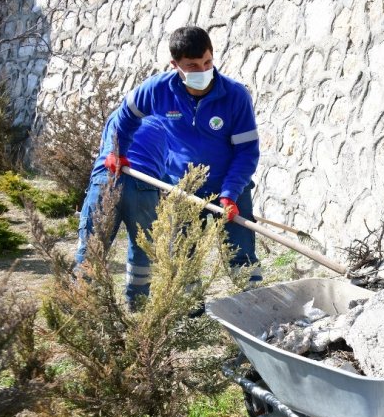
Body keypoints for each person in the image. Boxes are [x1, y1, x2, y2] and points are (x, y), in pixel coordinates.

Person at [105, 26, 262, 285]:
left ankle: (254, 309)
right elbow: (126, 115)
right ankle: (191, 319)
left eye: (207, 62)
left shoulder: (235, 96)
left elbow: (247, 152)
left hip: (231, 188)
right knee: (183, 259)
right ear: (175, 64)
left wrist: (230, 193)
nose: (203, 71)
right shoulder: (158, 90)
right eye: (192, 66)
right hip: (182, 189)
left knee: (242, 256)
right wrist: (117, 150)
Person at [75, 113, 166, 310]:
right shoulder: (165, 125)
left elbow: (104, 149)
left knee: (92, 246)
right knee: (143, 248)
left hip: (106, 180)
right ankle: (137, 305)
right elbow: (167, 166)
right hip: (146, 184)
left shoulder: (117, 115)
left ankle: (81, 305)